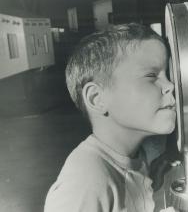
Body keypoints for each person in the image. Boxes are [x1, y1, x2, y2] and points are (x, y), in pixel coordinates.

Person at [44, 23, 178, 212]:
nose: (170, 86)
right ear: (97, 98)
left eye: (167, 75)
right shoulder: (84, 183)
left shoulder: (135, 156)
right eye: (151, 75)